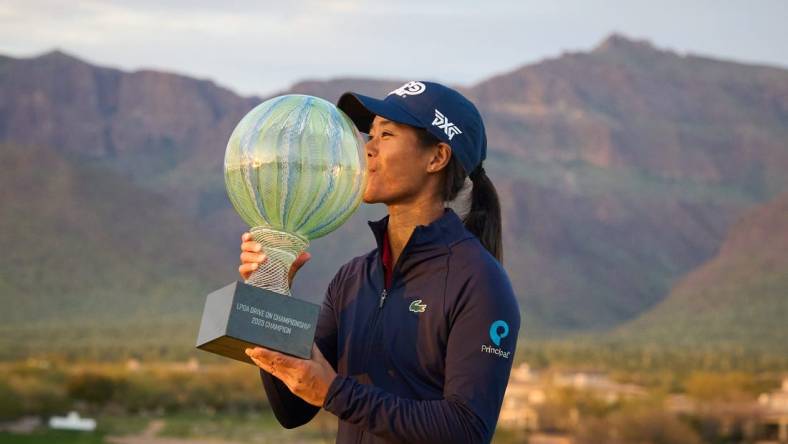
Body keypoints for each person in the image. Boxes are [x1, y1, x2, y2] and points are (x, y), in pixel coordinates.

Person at [239, 81, 521, 443]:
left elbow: (466, 428)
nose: (367, 149)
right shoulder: (353, 277)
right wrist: (273, 288)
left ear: (436, 157)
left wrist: (335, 393)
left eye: (385, 134)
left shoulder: (480, 281)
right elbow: (294, 409)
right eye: (369, 134)